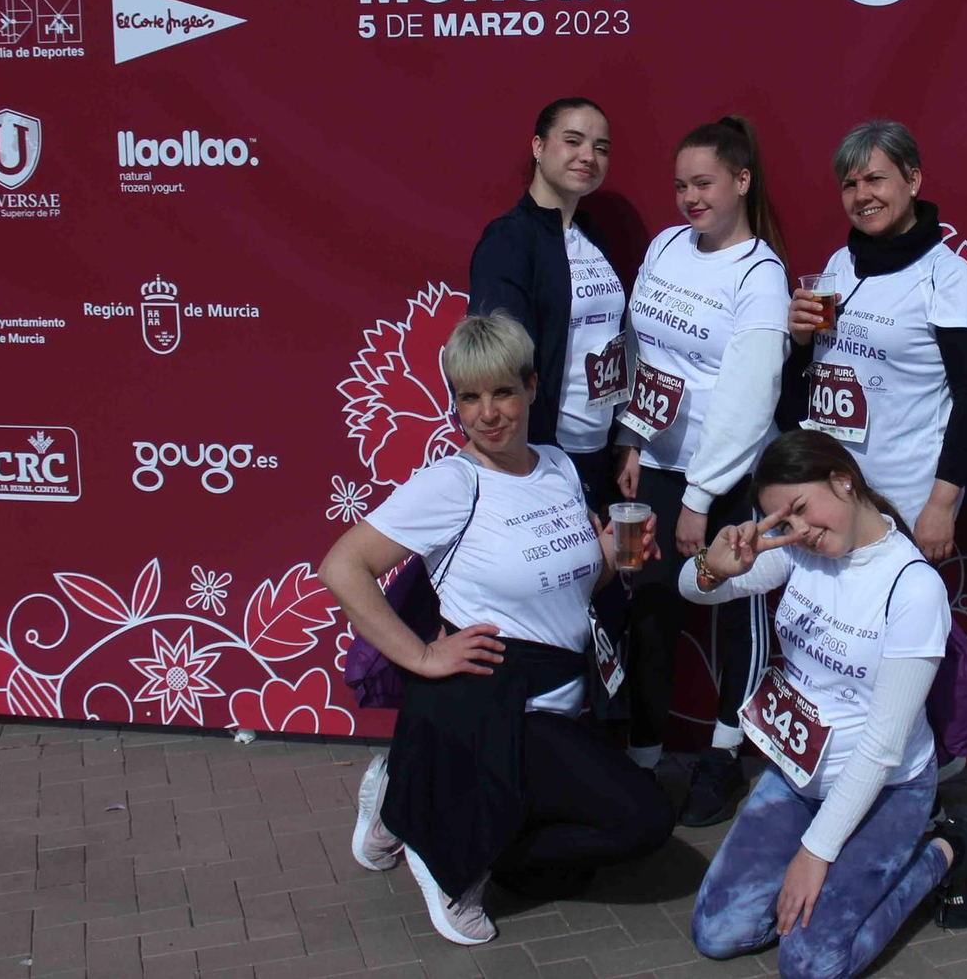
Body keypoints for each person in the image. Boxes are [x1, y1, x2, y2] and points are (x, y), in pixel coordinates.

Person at [319, 312, 673, 946]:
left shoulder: (560, 467)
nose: (487, 413)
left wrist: (619, 561)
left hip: (566, 699)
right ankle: (445, 850)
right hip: (496, 702)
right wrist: (422, 655)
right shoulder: (454, 484)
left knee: (567, 873)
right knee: (643, 820)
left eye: (503, 391)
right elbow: (342, 566)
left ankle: (415, 796)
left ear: (532, 388)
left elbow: (573, 591)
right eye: (469, 396)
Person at [685, 431, 967, 978]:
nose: (798, 530)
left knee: (809, 967)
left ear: (844, 481)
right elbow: (696, 588)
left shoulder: (911, 585)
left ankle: (945, 848)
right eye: (782, 520)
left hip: (887, 788)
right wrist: (713, 567)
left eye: (801, 509)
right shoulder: (798, 554)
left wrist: (815, 854)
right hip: (797, 776)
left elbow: (883, 746)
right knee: (716, 932)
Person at [615, 115, 791, 825]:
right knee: (649, 611)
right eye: (681, 183)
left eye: (705, 182)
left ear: (741, 181)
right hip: (653, 464)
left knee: (737, 616)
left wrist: (700, 495)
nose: (690, 196)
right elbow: (641, 351)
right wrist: (630, 439)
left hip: (728, 477)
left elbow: (750, 399)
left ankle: (723, 756)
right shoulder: (664, 244)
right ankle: (644, 758)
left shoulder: (762, 274)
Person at [783, 120, 967, 563]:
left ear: (913, 180)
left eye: (876, 179)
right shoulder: (840, 263)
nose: (862, 196)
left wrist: (940, 504)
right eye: (849, 184)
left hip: (904, 495)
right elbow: (816, 369)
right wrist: (800, 339)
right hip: (832, 485)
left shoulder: (947, 278)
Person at [468, 97, 627, 511]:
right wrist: (521, 460)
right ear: (538, 147)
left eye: (601, 147)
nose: (588, 156)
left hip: (599, 452)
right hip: (543, 456)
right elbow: (496, 363)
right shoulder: (509, 240)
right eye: (572, 141)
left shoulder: (594, 236)